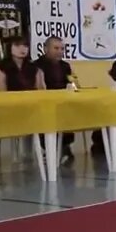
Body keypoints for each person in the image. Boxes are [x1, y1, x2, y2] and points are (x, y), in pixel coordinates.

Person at [33, 35, 76, 165]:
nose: (60, 51)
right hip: (44, 102)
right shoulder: (36, 66)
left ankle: (64, 146)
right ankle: (49, 149)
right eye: (56, 48)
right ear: (46, 49)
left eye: (62, 49)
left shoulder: (65, 66)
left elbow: (72, 82)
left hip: (64, 101)